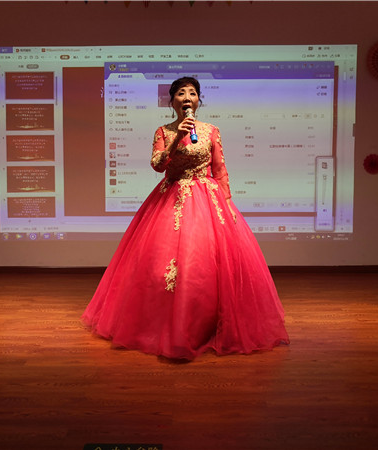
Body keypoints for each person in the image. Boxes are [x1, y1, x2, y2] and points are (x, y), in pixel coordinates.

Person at [82, 77, 289, 360]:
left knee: (207, 267)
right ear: (172, 101)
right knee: (160, 267)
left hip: (208, 201)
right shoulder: (163, 131)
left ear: (198, 100)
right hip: (171, 198)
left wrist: (228, 203)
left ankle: (207, 327)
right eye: (181, 93)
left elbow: (220, 169)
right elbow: (157, 165)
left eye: (192, 93)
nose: (187, 97)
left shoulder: (211, 131)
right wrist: (175, 140)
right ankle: (164, 325)